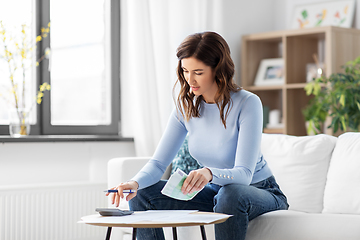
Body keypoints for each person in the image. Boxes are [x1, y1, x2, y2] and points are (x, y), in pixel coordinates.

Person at [107, 31, 289, 240]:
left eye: (198, 72)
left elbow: (244, 174)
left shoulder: (248, 103)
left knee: (230, 194)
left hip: (258, 191)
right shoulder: (185, 107)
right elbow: (158, 164)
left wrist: (209, 173)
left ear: (218, 69)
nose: (190, 79)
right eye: (185, 71)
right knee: (143, 194)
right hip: (215, 192)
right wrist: (134, 183)